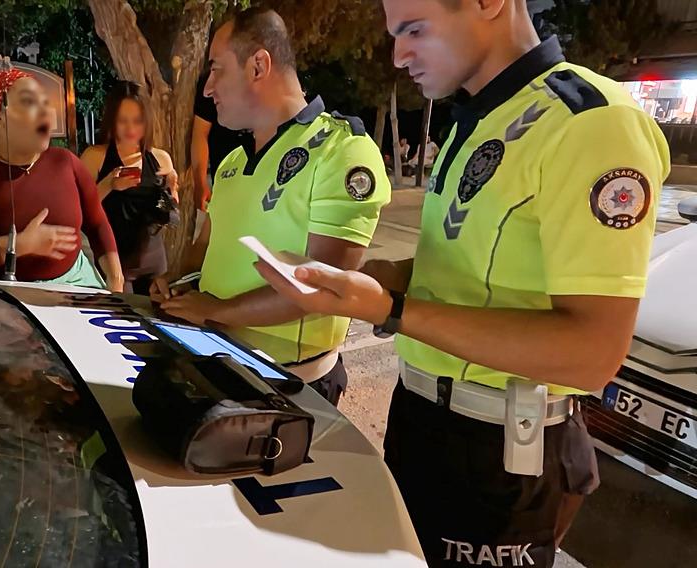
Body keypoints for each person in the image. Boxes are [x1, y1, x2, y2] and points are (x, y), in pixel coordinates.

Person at [254, 0, 670, 565]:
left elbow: (593, 352)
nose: (397, 55)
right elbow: (459, 274)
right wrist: (357, 281)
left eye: (414, 30)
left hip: (501, 449)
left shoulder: (591, 122)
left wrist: (392, 309)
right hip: (424, 420)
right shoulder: (473, 120)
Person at [150, 8, 391, 406]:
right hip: (216, 364)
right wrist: (179, 284)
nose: (208, 88)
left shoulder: (342, 150)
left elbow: (327, 285)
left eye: (216, 70)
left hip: (290, 387)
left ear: (259, 65)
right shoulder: (231, 163)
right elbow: (207, 245)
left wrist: (219, 310)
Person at [0, 68, 123, 291]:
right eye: (29, 102)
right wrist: (14, 246)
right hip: (3, 299)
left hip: (79, 286)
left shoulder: (66, 162)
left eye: (46, 102)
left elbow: (97, 222)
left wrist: (115, 278)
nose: (46, 111)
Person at [80, 81, 179, 294]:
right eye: (123, 121)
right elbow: (79, 211)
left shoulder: (160, 158)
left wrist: (171, 192)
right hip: (114, 261)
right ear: (112, 121)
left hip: (154, 261)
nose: (131, 129)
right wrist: (109, 184)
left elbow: (169, 213)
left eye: (137, 121)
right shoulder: (95, 157)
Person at [191, 73, 252, 211]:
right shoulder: (211, 80)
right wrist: (200, 181)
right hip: (224, 179)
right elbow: (200, 133)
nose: (208, 91)